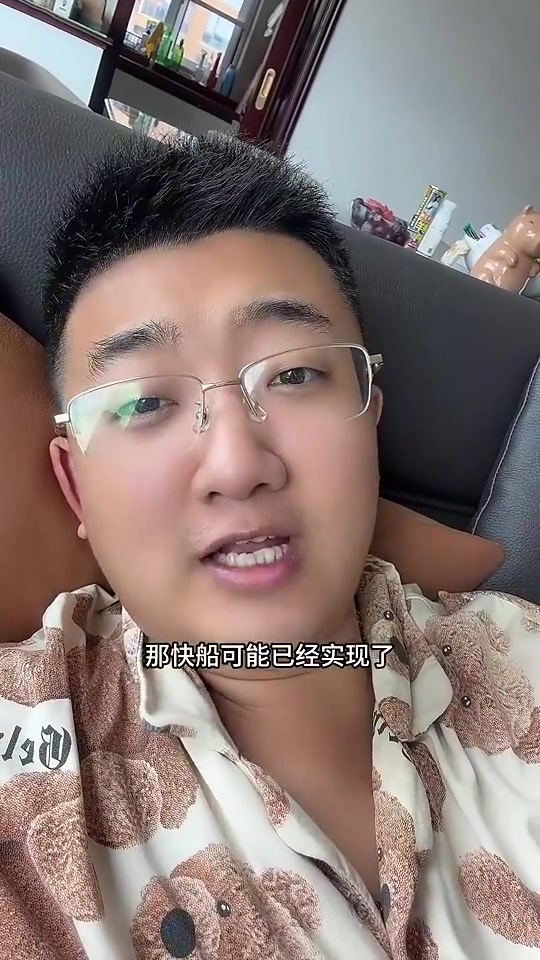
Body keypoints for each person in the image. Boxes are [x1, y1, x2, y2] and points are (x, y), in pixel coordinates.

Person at [1, 133, 539, 960]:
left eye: (292, 375)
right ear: (74, 487)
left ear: (371, 421)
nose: (237, 465)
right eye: (144, 403)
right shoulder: (27, 753)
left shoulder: (519, 659)